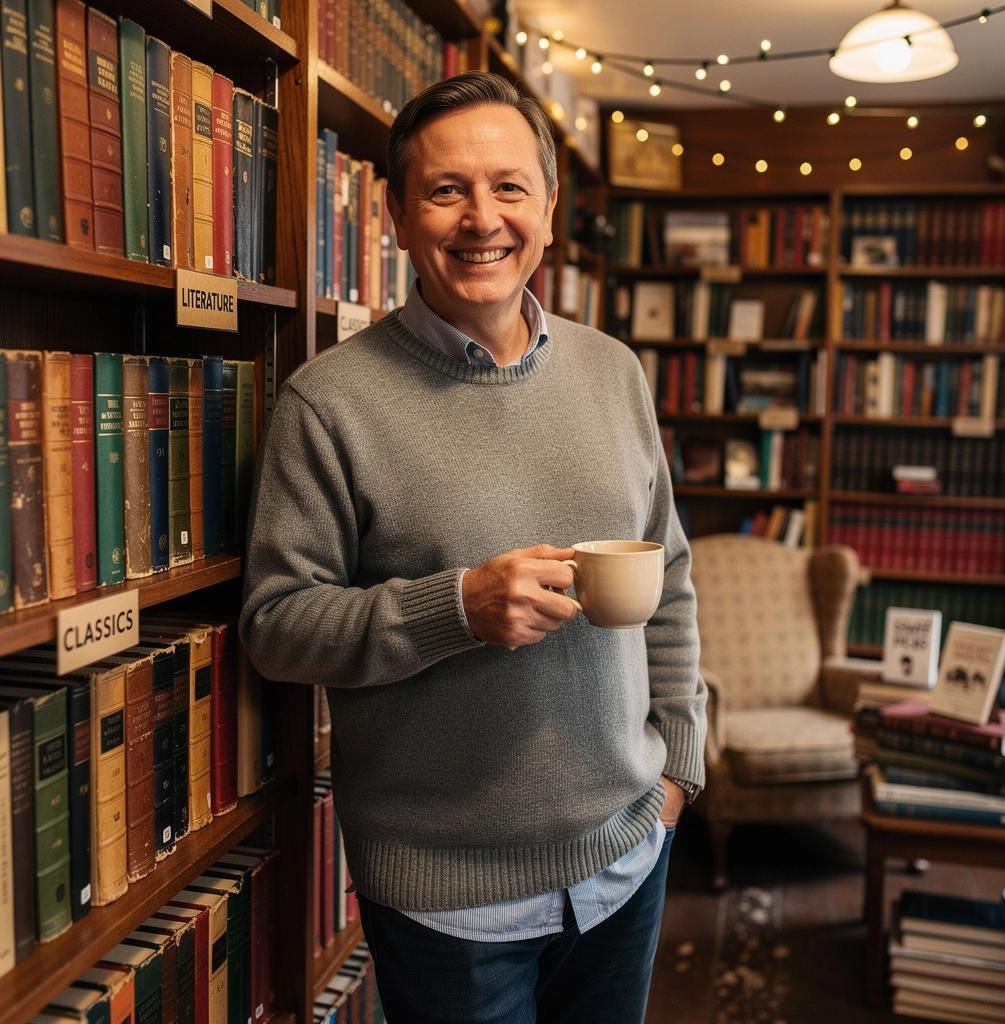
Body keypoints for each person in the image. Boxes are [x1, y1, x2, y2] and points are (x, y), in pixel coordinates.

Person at [240, 71, 707, 1024]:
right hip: (449, 895)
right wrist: (452, 608)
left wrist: (678, 767)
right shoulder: (328, 404)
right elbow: (278, 628)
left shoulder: (613, 370)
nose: (481, 218)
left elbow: (673, 573)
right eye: (447, 190)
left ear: (549, 204)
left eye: (508, 187)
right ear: (399, 214)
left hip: (627, 855)